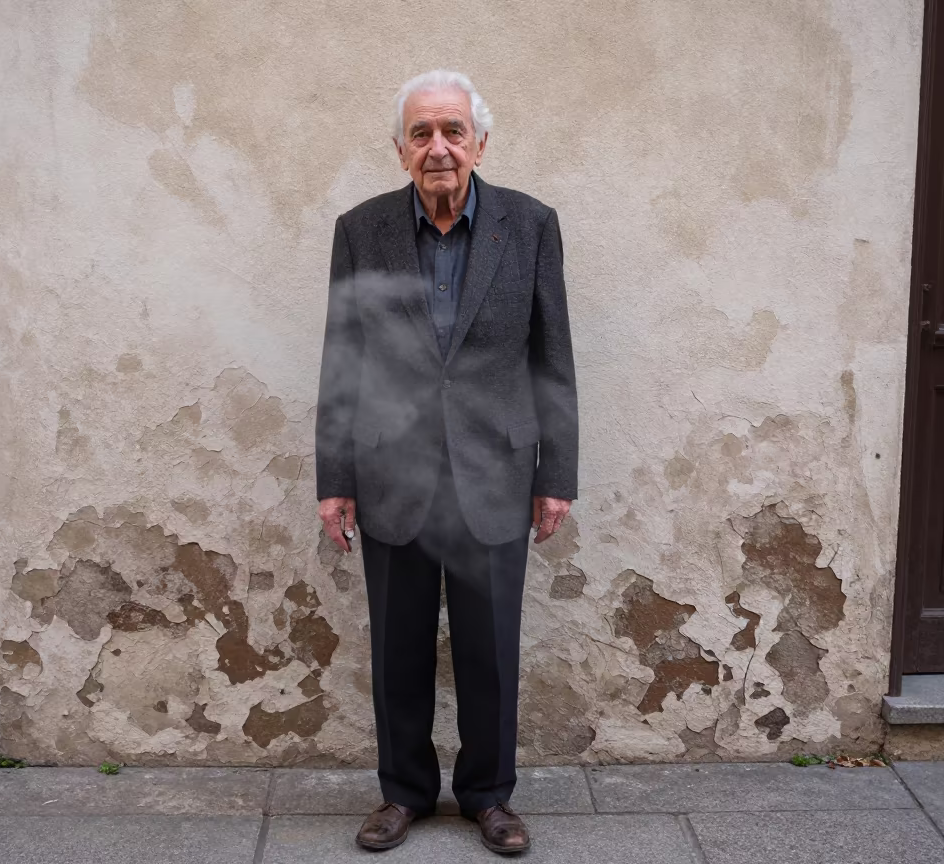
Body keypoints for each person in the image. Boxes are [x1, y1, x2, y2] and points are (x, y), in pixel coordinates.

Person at [314, 68, 578, 855]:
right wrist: (335, 482)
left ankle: (489, 797)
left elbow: (552, 359)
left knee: (490, 650)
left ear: (480, 142)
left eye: (452, 131)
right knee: (397, 649)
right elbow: (343, 362)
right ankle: (404, 794)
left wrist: (556, 475)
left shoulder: (529, 226)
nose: (439, 148)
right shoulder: (361, 230)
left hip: (495, 473)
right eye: (421, 133)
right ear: (400, 151)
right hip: (391, 472)